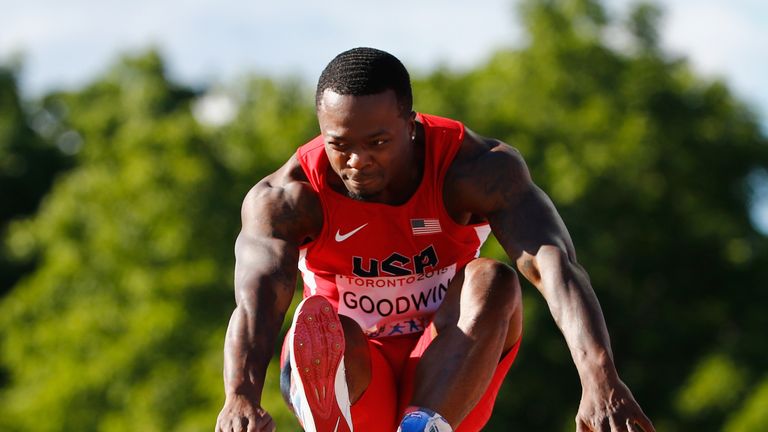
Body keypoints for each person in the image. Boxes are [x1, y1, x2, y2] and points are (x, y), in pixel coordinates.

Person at [214, 47, 655, 432]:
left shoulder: (476, 169)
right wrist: (240, 396)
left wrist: (600, 376)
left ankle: (424, 427)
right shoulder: (288, 198)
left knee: (493, 280)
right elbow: (256, 305)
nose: (357, 161)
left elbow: (553, 262)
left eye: (377, 142)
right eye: (340, 144)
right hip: (349, 364)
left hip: (450, 364)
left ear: (410, 123)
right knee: (321, 323)